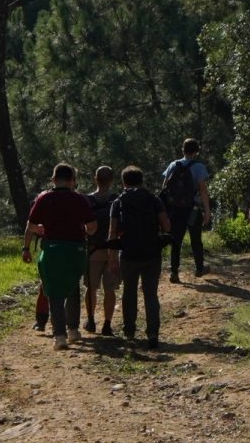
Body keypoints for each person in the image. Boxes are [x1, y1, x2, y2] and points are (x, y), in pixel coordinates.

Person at [25, 163, 96, 350]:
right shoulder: (79, 199)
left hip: (52, 249)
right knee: (72, 286)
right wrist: (84, 230)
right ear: (72, 180)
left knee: (54, 290)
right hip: (75, 250)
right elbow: (92, 227)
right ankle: (73, 329)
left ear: (53, 179)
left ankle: (60, 336)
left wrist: (41, 229)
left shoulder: (44, 199)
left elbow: (31, 225)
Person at [109, 165, 171, 346]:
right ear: (142, 180)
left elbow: (112, 232)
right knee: (151, 294)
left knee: (129, 292)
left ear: (123, 183)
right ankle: (153, 333)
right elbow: (166, 226)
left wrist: (112, 258)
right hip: (152, 254)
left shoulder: (119, 202)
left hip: (128, 253)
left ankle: (129, 331)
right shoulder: (153, 200)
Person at [161, 138, 212, 284]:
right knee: (196, 238)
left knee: (176, 240)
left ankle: (174, 272)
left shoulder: (173, 165)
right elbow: (202, 190)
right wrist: (207, 210)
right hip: (193, 209)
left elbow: (165, 187)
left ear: (183, 150)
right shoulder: (199, 167)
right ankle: (199, 268)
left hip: (176, 210)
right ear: (196, 151)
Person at [82, 165, 120, 336]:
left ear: (95, 179)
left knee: (91, 288)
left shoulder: (87, 201)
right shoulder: (117, 200)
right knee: (110, 290)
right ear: (112, 180)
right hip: (113, 251)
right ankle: (107, 324)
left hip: (93, 251)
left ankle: (90, 320)